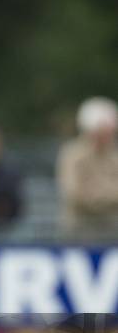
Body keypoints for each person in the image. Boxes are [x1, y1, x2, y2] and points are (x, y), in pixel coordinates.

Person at [57, 96, 118, 240]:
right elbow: (74, 194)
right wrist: (108, 198)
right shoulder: (72, 155)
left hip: (112, 231)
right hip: (80, 231)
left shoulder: (115, 156)